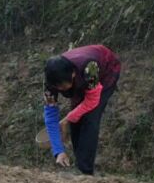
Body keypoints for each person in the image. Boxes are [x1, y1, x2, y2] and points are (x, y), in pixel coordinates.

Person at [43, 44, 121, 175]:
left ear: (72, 74)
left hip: (106, 73)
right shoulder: (50, 82)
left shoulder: (89, 67)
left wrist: (68, 118)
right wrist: (58, 151)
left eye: (63, 87)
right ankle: (79, 165)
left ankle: (85, 171)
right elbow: (51, 116)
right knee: (76, 118)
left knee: (90, 117)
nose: (61, 90)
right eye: (58, 88)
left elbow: (92, 100)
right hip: (82, 81)